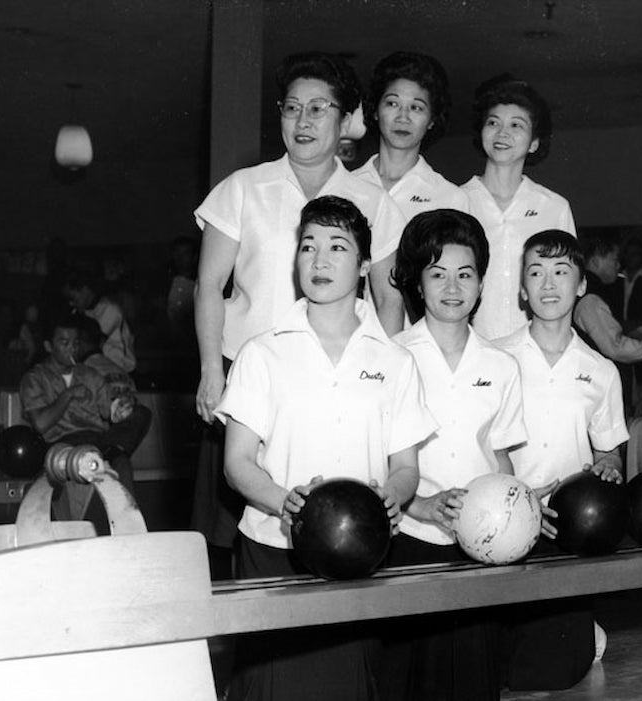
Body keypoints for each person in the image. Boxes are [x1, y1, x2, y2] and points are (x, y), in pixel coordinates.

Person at [216, 196, 435, 701]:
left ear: (362, 266)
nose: (319, 260)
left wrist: (391, 497)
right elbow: (236, 464)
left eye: (338, 247)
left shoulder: (396, 361)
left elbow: (405, 467)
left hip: (356, 552)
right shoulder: (262, 352)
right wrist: (284, 501)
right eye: (308, 246)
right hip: (273, 547)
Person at [192, 52, 408, 552]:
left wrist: (392, 378)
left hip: (336, 380)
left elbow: (388, 299)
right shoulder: (244, 188)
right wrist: (210, 370)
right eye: (292, 109)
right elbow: (209, 286)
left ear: (346, 119)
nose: (303, 121)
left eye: (318, 108)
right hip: (244, 379)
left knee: (332, 523)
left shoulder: (374, 201)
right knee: (230, 531)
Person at [386, 209, 526, 701]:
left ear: (482, 283)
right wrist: (419, 505)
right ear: (417, 283)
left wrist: (520, 511)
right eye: (437, 273)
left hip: (478, 548)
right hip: (406, 538)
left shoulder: (502, 366)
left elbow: (501, 457)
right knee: (408, 682)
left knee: (473, 681)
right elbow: (372, 460)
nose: (452, 287)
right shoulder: (390, 358)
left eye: (464, 274)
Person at [496, 229, 628, 692]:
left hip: (567, 527)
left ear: (581, 285)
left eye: (560, 272)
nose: (548, 284)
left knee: (556, 675)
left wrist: (608, 465)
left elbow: (608, 448)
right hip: (503, 519)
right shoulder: (495, 358)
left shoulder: (601, 370)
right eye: (536, 272)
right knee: (500, 669)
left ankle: (583, 635)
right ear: (521, 289)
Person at [462, 74, 576, 340]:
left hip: (532, 349)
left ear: (534, 142)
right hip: (469, 349)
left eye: (516, 125)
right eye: (493, 122)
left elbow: (565, 288)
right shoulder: (455, 201)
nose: (503, 133)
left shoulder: (554, 208)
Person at [19, 312, 150, 494]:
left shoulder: (89, 374)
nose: (72, 349)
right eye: (64, 343)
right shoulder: (35, 378)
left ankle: (126, 514)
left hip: (98, 439)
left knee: (141, 413)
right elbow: (41, 424)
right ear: (48, 346)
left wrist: (122, 408)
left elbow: (109, 411)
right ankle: (107, 456)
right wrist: (68, 395)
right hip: (62, 444)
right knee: (106, 456)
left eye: (76, 343)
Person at [352, 51, 468, 223]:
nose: (403, 117)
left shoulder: (450, 198)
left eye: (416, 107)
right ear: (375, 111)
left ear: (431, 120)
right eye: (392, 103)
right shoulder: (346, 185)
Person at [573, 231, 642, 365]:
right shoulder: (591, 299)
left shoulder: (586, 290)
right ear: (597, 261)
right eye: (615, 259)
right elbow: (616, 347)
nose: (619, 265)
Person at [63, 270, 137, 373]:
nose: (71, 303)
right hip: (101, 369)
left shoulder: (110, 309)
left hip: (121, 368)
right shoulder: (84, 312)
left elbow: (92, 344)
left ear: (85, 290)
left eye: (73, 298)